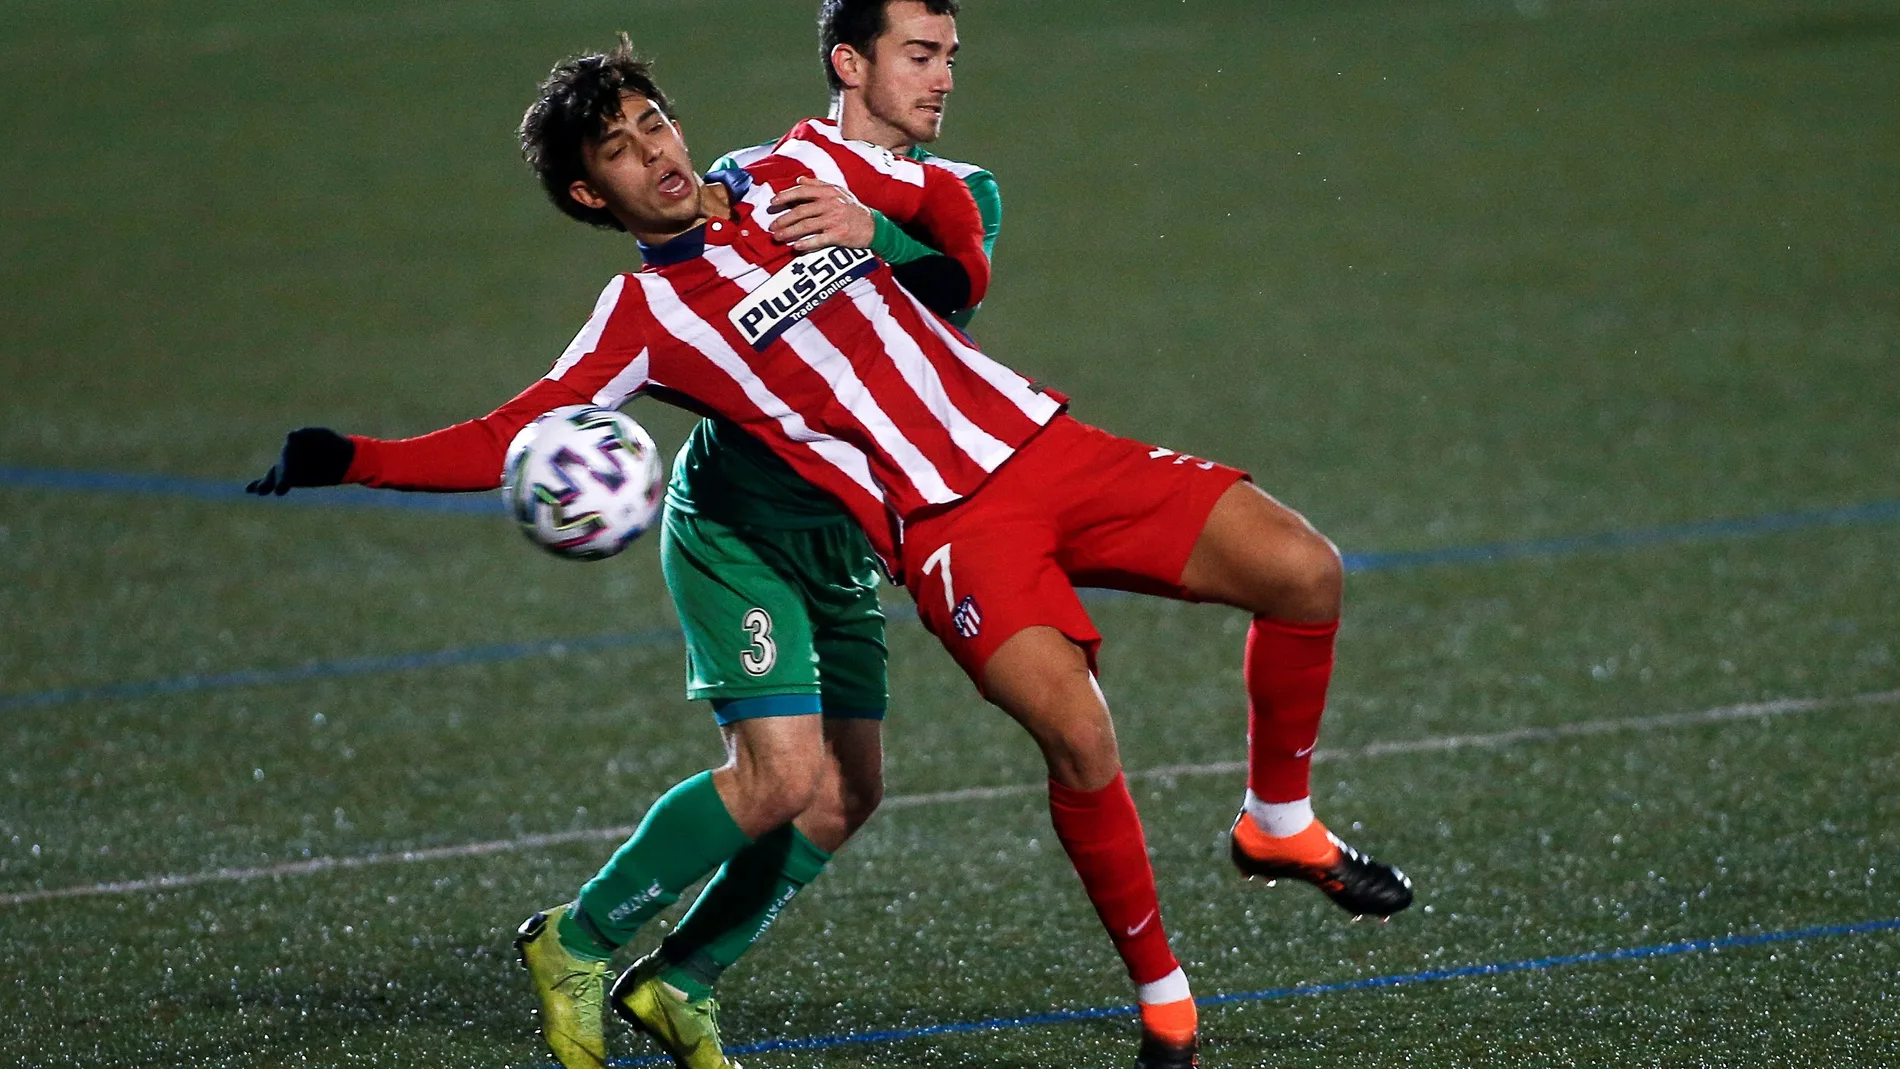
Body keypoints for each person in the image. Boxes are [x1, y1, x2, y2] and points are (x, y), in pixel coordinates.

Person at [247, 31, 1411, 1069]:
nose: (653, 152)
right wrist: (351, 455)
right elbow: (511, 437)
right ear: (587, 195)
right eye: (617, 149)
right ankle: (1161, 1008)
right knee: (1005, 745)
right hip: (924, 526)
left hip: (1038, 448)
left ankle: (1273, 818)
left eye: (653, 120)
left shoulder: (789, 169)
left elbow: (965, 225)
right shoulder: (643, 321)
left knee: (1297, 573)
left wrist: (881, 226)